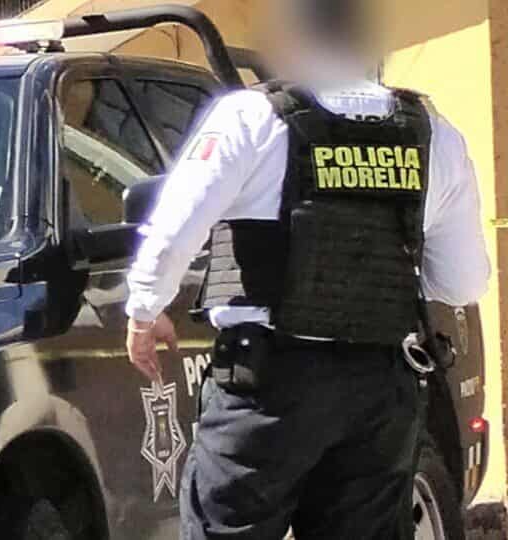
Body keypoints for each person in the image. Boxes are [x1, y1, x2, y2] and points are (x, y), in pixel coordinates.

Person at [124, 0, 491, 538]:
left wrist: (144, 310)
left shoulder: (252, 117)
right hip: (378, 391)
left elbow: (173, 229)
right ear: (372, 44)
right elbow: (462, 283)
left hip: (268, 387)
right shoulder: (433, 133)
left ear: (292, 42)